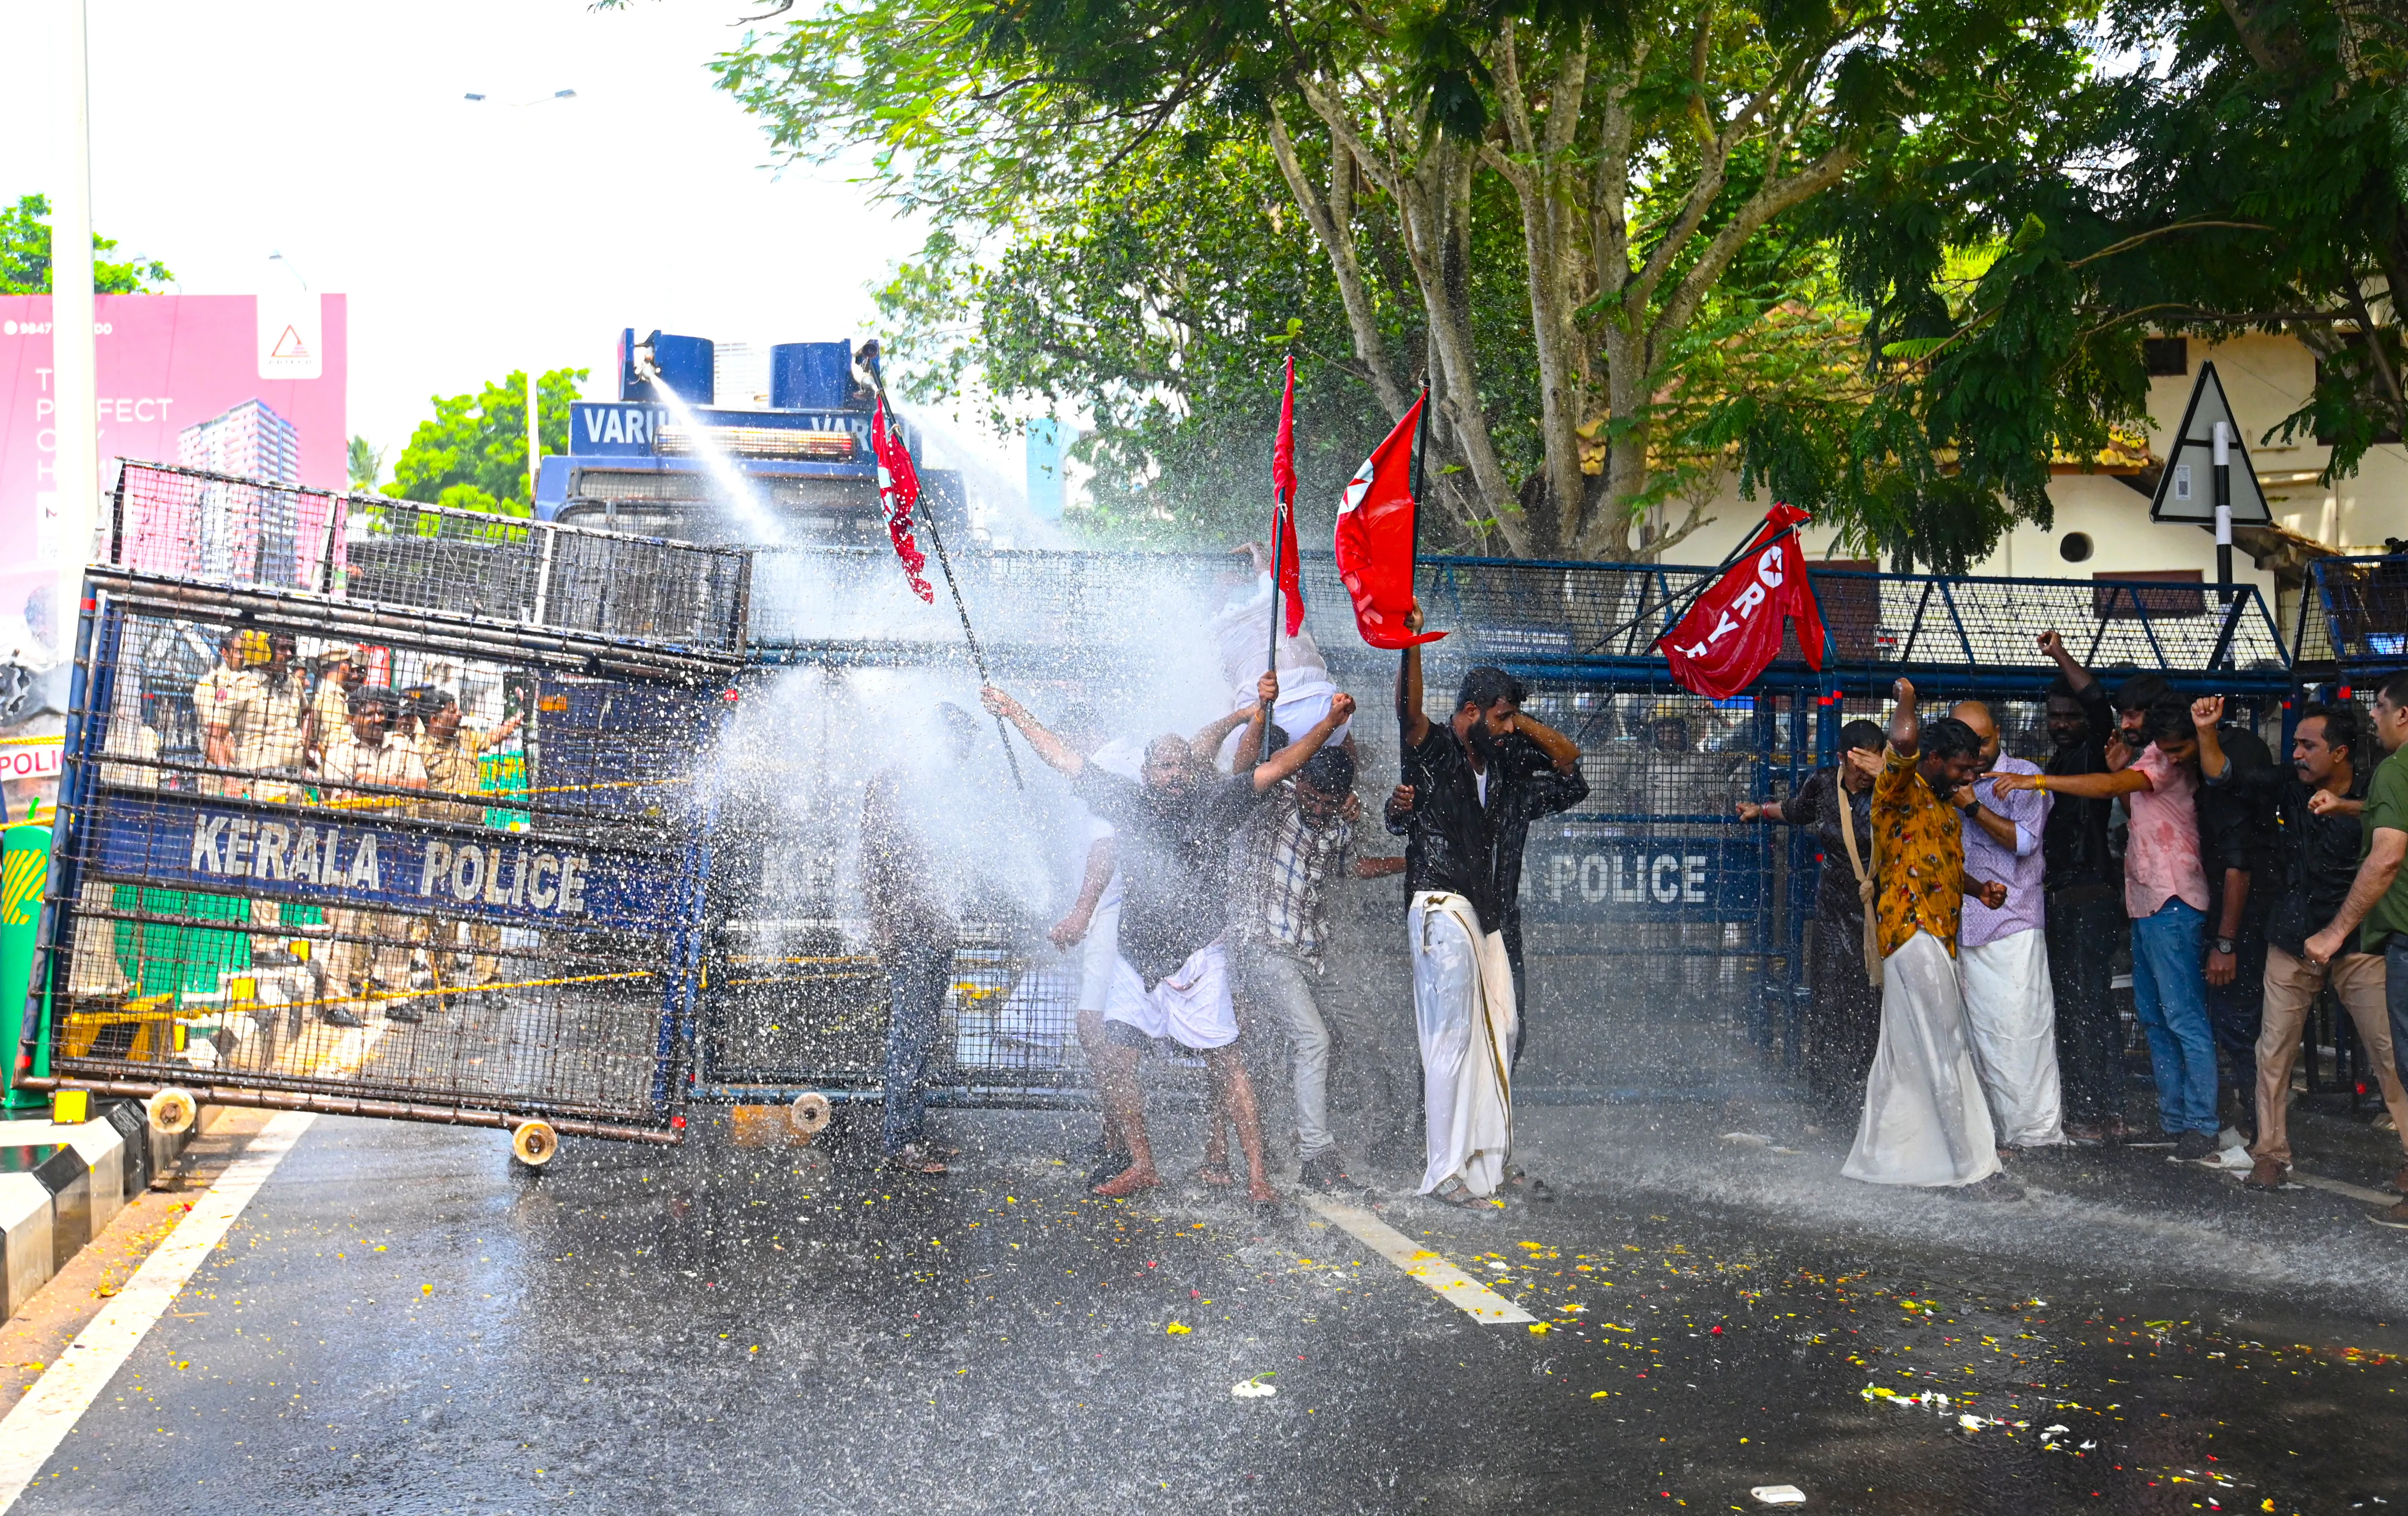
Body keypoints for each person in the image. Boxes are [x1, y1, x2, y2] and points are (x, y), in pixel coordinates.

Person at [983, 672, 1356, 1204]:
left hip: (1199, 955)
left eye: (1183, 764)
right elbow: (1061, 756)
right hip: (1138, 959)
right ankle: (1143, 1164)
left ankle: (1256, 1177)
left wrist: (1329, 723)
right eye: (1165, 765)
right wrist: (1013, 710)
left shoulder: (1219, 800)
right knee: (1118, 1058)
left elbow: (1284, 766)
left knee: (1227, 1061)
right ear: (1146, 771)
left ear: (1193, 768)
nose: (1176, 773)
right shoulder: (1125, 801)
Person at [1388, 604, 1588, 1206]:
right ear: (1469, 712)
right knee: (1450, 1042)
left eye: (1511, 721)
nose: (1505, 730)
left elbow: (1571, 767)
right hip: (1443, 907)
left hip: (1489, 917)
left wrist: (1518, 724)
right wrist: (1413, 642)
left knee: (1503, 1032)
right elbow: (1409, 713)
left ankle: (1486, 1163)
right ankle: (1443, 1170)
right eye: (1498, 718)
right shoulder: (1437, 753)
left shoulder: (1504, 764)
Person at [1995, 696, 2219, 1159]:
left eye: (2134, 715)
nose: (2126, 723)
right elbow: (2137, 805)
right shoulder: (2154, 754)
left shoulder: (2170, 758)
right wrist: (2124, 775)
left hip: (2174, 896)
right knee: (2156, 1018)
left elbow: (2104, 786)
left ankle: (2202, 1122)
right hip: (2145, 899)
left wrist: (2037, 779)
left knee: (2183, 1017)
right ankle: (2176, 1121)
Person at [2200, 699, 2408, 1195]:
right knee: (2273, 1052)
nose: (2295, 753)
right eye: (2294, 744)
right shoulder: (2288, 788)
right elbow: (2224, 776)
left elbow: (2389, 833)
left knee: (2391, 1055)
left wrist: (2345, 807)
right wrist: (2206, 732)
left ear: (2339, 753)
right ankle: (2270, 1154)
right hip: (2292, 936)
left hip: (2358, 941)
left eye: (2306, 746)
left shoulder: (2380, 784)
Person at [1840, 680, 2017, 1198]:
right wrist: (1908, 702)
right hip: (1911, 931)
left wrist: (1979, 888)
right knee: (1945, 1047)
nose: (1971, 778)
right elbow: (1905, 743)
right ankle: (1970, 1169)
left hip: (1938, 935)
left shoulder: (1942, 804)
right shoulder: (1901, 788)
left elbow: (1934, 863)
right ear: (1935, 759)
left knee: (1913, 1054)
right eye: (1963, 768)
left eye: (1975, 769)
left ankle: (1893, 1159)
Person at [1228, 743, 1407, 1192]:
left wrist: (1412, 861)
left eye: (1329, 802)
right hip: (1264, 949)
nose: (1317, 809)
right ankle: (1315, 1156)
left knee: (1363, 1029)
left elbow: (1352, 868)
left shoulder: (1339, 824)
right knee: (1312, 1039)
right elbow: (1242, 767)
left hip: (1313, 953)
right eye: (1312, 798)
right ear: (1300, 783)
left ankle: (1385, 1134)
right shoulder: (1274, 801)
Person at [1735, 718, 1885, 1118]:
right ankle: (1827, 1100)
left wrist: (1888, 776)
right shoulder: (1822, 783)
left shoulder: (1894, 789)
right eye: (1859, 767)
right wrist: (1760, 810)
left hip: (1884, 913)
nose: (1866, 776)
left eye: (1874, 766)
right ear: (1842, 760)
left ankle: (1873, 1098)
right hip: (1835, 912)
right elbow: (1797, 810)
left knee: (1877, 1005)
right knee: (1831, 1002)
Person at [2303, 671, 2408, 1229]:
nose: (2374, 719)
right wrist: (2347, 808)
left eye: (2380, 710)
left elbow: (2388, 855)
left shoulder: (2396, 769)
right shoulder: (2393, 780)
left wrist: (2336, 932)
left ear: (2404, 715)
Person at [859, 708, 974, 1176]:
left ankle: (913, 1133)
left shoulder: (937, 789)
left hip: (935, 928)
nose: (965, 755)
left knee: (922, 1035)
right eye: (962, 743)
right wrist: (884, 925)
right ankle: (901, 1145)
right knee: (908, 1037)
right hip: (911, 930)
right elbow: (874, 859)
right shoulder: (896, 783)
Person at [1950, 700, 2064, 1149]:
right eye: (1968, 742)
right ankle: (1995, 1131)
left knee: (2021, 1029)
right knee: (1980, 1033)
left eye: (1985, 740)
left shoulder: (2024, 775)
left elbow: (2024, 841)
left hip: (2013, 921)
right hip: (1964, 925)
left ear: (1999, 733)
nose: (1978, 751)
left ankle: (2036, 1132)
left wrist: (1972, 807)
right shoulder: (1947, 779)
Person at [2034, 632, 2129, 1143]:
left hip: (2089, 900)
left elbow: (2097, 704)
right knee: (2072, 1005)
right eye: (2055, 716)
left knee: (2087, 1003)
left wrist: (2059, 653)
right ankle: (2091, 1108)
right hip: (2062, 903)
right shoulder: (2057, 764)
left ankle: (2102, 1112)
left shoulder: (2095, 751)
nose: (2063, 724)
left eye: (2070, 716)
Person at [318, 686, 429, 1027]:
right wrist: (389, 787)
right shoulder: (340, 752)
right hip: (350, 850)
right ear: (353, 718)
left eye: (382, 713)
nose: (378, 719)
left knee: (396, 925)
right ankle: (335, 1003)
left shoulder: (404, 746)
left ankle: (396, 997)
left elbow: (421, 786)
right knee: (345, 925)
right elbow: (337, 797)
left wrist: (373, 782)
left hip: (394, 847)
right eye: (369, 713)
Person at [2194, 707, 2277, 1146]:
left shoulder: (2232, 803)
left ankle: (2260, 1128)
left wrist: (2225, 943)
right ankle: (2258, 1122)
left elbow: (2237, 868)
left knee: (2241, 1028)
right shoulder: (2258, 804)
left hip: (2241, 928)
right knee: (2243, 1028)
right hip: (2251, 922)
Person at [413, 690, 525, 1003]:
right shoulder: (419, 750)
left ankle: (489, 982)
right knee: (442, 917)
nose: (459, 715)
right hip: (438, 843)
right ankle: (444, 984)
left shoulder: (466, 739)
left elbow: (493, 737)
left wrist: (516, 720)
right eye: (453, 710)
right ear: (435, 718)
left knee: (483, 912)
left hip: (475, 840)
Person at [1206, 543, 1351, 769]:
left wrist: (1222, 586)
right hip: (1311, 704)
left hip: (1291, 705)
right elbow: (1265, 569)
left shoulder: (1225, 622)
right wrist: (1256, 550)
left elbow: (1240, 771)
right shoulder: (1272, 601)